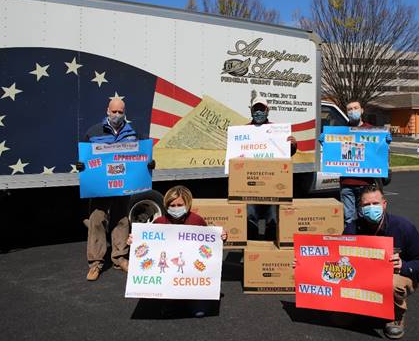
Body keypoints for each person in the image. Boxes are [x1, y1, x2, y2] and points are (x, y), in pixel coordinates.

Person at [78, 97, 155, 282]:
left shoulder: (133, 133)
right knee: (97, 220)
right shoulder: (94, 132)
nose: (117, 115)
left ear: (124, 113)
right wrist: (82, 166)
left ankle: (120, 258)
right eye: (114, 111)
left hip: (123, 187)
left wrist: (149, 163)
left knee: (121, 220)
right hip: (101, 187)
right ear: (107, 111)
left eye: (121, 112)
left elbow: (143, 155)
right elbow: (86, 157)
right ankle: (95, 263)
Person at [348, 185, 419, 339]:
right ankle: (360, 306)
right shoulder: (352, 228)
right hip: (365, 275)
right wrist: (306, 263)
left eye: (375, 203)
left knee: (392, 284)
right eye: (366, 205)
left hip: (397, 275)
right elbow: (335, 258)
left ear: (384, 204)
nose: (371, 208)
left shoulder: (403, 227)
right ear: (360, 208)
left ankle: (396, 317)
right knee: (339, 320)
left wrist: (404, 265)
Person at [128, 185, 227, 318]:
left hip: (192, 276)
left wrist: (221, 238)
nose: (175, 208)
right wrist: (135, 242)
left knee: (199, 312)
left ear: (187, 204)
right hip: (170, 276)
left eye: (179, 204)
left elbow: (208, 246)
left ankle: (190, 299)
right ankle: (171, 300)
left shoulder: (196, 221)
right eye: (172, 205)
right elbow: (148, 246)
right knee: (168, 308)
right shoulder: (160, 222)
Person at [246, 96, 297, 240]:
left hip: (273, 184)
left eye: (261, 109)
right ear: (251, 111)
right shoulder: (244, 130)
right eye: (256, 109)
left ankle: (269, 252)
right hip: (251, 184)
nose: (258, 112)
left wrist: (292, 145)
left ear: (267, 110)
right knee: (250, 218)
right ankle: (252, 250)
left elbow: (286, 154)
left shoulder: (278, 130)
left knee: (273, 219)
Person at [340, 100, 380, 234]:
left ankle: (367, 243)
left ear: (362, 110)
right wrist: (326, 141)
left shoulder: (372, 130)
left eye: (355, 108)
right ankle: (351, 244)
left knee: (366, 217)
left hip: (365, 182)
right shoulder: (340, 131)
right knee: (348, 218)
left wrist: (384, 142)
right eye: (349, 109)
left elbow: (378, 153)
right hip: (347, 183)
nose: (352, 111)